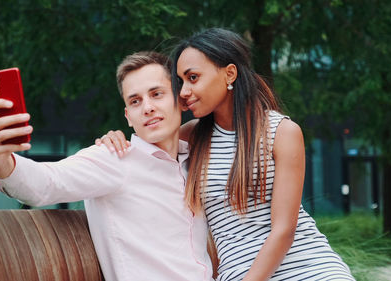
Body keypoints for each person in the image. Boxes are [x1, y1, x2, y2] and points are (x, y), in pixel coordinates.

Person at [99, 28, 355, 281]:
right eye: (181, 82)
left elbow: (284, 231)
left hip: (310, 269)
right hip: (237, 273)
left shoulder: (282, 132)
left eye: (193, 78)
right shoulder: (192, 136)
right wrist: (113, 139)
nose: (184, 92)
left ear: (229, 74)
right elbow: (143, 149)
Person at [0, 51, 215, 281]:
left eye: (157, 94)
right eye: (135, 101)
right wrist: (0, 160)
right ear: (128, 116)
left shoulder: (193, 163)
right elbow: (45, 183)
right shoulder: (114, 159)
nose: (147, 107)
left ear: (180, 101)